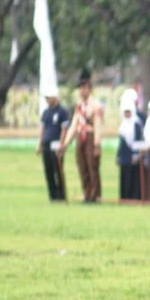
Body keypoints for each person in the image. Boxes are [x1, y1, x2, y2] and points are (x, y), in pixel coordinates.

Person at [60, 71, 103, 203]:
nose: (81, 91)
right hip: (81, 137)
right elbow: (74, 125)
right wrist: (66, 143)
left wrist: (97, 144)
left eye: (83, 88)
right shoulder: (79, 106)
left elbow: (98, 126)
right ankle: (86, 192)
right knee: (82, 166)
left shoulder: (96, 105)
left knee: (92, 167)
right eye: (80, 89)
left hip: (90, 137)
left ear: (89, 89)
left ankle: (95, 195)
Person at [37, 87, 70, 202]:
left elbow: (64, 129)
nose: (47, 100)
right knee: (48, 170)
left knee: (58, 170)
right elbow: (42, 128)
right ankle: (52, 196)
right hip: (46, 144)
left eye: (48, 98)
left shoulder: (62, 111)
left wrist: (62, 144)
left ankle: (61, 195)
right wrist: (39, 144)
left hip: (56, 144)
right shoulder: (46, 112)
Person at [115, 92, 145, 201]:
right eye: (125, 112)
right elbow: (121, 142)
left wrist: (136, 155)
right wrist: (118, 156)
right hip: (124, 155)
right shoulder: (123, 124)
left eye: (129, 112)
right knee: (124, 177)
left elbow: (138, 141)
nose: (127, 114)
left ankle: (134, 197)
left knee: (133, 177)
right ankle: (125, 197)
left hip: (133, 156)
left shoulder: (136, 123)